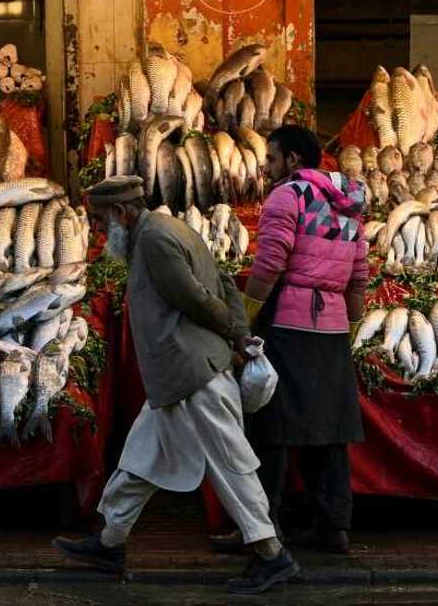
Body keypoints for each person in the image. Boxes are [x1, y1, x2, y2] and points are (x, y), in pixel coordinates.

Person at [52, 175, 299, 596]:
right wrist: (237, 330)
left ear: (123, 213)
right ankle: (110, 541)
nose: (95, 230)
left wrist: (235, 336)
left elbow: (198, 299)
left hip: (193, 374)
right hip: (176, 376)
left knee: (230, 463)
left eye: (99, 221)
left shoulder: (153, 240)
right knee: (141, 458)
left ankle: (271, 553)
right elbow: (223, 283)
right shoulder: (172, 228)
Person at [212, 125, 368, 555]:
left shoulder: (288, 196)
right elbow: (359, 278)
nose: (266, 168)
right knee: (330, 430)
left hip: (289, 325)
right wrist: (350, 329)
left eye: (271, 158)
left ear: (293, 160)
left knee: (270, 425)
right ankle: (333, 526)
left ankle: (261, 529)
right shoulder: (350, 206)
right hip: (332, 328)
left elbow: (270, 263)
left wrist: (243, 318)